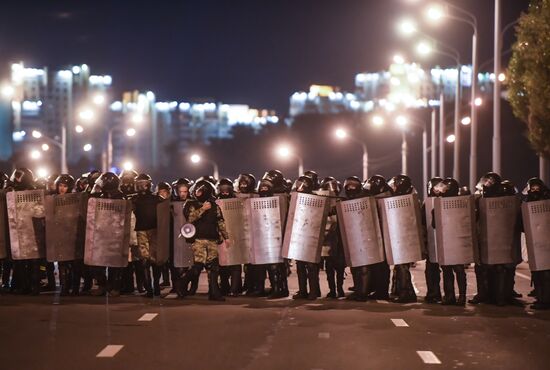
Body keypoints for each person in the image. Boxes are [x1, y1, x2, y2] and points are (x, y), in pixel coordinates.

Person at [177, 180, 229, 301]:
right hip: (198, 239)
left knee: (213, 267)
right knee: (198, 266)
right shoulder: (191, 204)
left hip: (212, 239)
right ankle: (181, 284)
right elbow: (190, 218)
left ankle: (214, 292)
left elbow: (220, 221)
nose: (197, 193)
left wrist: (226, 237)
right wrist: (202, 209)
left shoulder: (214, 205)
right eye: (196, 190)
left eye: (199, 191)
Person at [88, 172, 126, 297]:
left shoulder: (120, 198)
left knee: (114, 263)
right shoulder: (101, 196)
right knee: (98, 262)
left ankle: (114, 287)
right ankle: (102, 285)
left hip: (115, 233)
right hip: (101, 233)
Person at [432, 178, 467, 306]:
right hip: (459, 241)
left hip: (446, 241)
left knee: (447, 270)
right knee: (459, 270)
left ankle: (449, 296)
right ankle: (462, 297)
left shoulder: (439, 204)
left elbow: (434, 224)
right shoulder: (464, 203)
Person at [387, 175, 418, 303]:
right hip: (402, 238)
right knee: (399, 266)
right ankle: (400, 291)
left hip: (406, 238)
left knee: (402, 267)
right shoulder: (408, 197)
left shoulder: (407, 199)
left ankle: (406, 293)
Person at [291, 175, 322, 300]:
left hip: (311, 235)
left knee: (311, 266)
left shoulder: (315, 198)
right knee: (300, 265)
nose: (299, 187)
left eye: (301, 184)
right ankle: (303, 291)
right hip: (298, 234)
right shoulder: (294, 198)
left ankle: (314, 291)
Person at [522, 178, 550, 310]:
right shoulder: (527, 201)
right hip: (535, 242)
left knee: (545, 273)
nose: (534, 191)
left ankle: (545, 300)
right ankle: (541, 298)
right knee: (538, 273)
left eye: (536, 188)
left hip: (546, 241)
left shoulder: (547, 199)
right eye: (532, 188)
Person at [319, 177, 345, 298]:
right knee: (330, 268)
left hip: (339, 240)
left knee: (339, 268)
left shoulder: (342, 202)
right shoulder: (322, 203)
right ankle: (333, 290)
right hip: (328, 240)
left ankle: (339, 289)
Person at [216, 178, 243, 296]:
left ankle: (235, 288)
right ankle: (225, 287)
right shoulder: (215, 201)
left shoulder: (237, 200)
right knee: (222, 263)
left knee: (235, 263)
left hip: (235, 234)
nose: (225, 192)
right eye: (222, 190)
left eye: (227, 190)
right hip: (221, 235)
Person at [423, 177, 443, 304]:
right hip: (432, 240)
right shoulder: (427, 203)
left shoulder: (429, 203)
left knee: (435, 269)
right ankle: (434, 293)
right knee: (432, 269)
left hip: (439, 240)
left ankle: (435, 293)